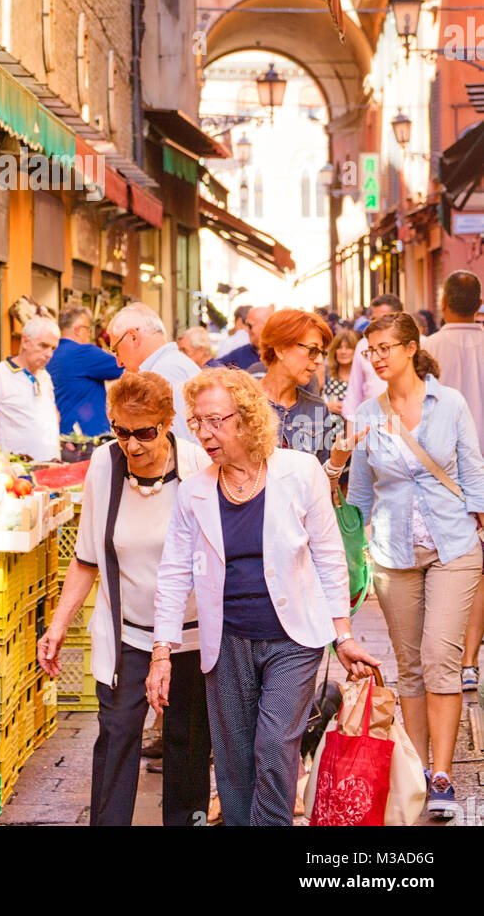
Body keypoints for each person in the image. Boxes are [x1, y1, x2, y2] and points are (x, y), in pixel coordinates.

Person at [148, 366, 376, 827]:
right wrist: (162, 651)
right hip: (226, 639)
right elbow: (173, 574)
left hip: (292, 639)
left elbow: (330, 556)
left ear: (248, 418)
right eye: (197, 422)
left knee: (273, 745)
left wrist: (343, 635)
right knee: (233, 762)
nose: (205, 433)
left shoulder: (299, 471)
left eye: (216, 420)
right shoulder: (193, 492)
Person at [37, 370, 212, 826]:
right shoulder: (105, 465)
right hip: (126, 634)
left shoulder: (197, 468)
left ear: (169, 422)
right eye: (121, 431)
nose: (132, 445)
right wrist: (57, 626)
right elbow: (87, 557)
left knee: (187, 744)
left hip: (190, 638)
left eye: (145, 433)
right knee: (116, 737)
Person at [330, 310, 484, 819]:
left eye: (384, 348)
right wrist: (356, 548)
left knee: (441, 657)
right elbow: (362, 496)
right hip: (393, 556)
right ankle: (419, 769)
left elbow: (473, 471)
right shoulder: (367, 415)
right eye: (370, 350)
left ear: (411, 349)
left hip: (454, 548)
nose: (375, 358)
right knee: (410, 666)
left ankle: (443, 775)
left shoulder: (450, 403)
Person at [422, 272, 484, 692]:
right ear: (478, 303)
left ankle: (461, 658)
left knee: (458, 559)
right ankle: (468, 658)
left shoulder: (427, 348)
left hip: (444, 472)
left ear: (444, 303)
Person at [106, 303, 198, 442]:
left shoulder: (164, 372)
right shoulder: (173, 364)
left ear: (133, 337)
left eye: (116, 350)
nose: (118, 362)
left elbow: (177, 444)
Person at [258, 309, 339, 461]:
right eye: (313, 350)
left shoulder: (317, 409)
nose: (319, 360)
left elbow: (322, 480)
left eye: (322, 353)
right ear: (280, 349)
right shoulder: (241, 402)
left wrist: (337, 463)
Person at [0, 316, 60, 462]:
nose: (49, 354)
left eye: (53, 348)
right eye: (43, 346)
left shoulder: (44, 376)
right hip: (18, 467)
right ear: (25, 341)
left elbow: (53, 415)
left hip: (52, 464)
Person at [46, 305, 123, 436]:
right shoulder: (84, 352)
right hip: (88, 438)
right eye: (88, 329)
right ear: (78, 330)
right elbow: (124, 365)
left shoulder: (50, 354)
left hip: (61, 433)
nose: (89, 334)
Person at [341, 292, 403, 422]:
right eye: (374, 320)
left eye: (384, 319)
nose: (377, 325)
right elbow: (354, 394)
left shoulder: (414, 345)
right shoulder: (363, 346)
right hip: (371, 425)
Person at [207, 305, 274, 372]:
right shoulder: (242, 353)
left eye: (250, 326)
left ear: (265, 326)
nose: (246, 330)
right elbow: (211, 367)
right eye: (246, 325)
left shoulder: (280, 353)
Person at [323, 328, 361, 416]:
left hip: (356, 427)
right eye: (339, 348)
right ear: (334, 351)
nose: (343, 351)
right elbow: (310, 404)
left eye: (348, 348)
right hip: (328, 427)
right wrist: (326, 406)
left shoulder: (362, 376)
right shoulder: (326, 373)